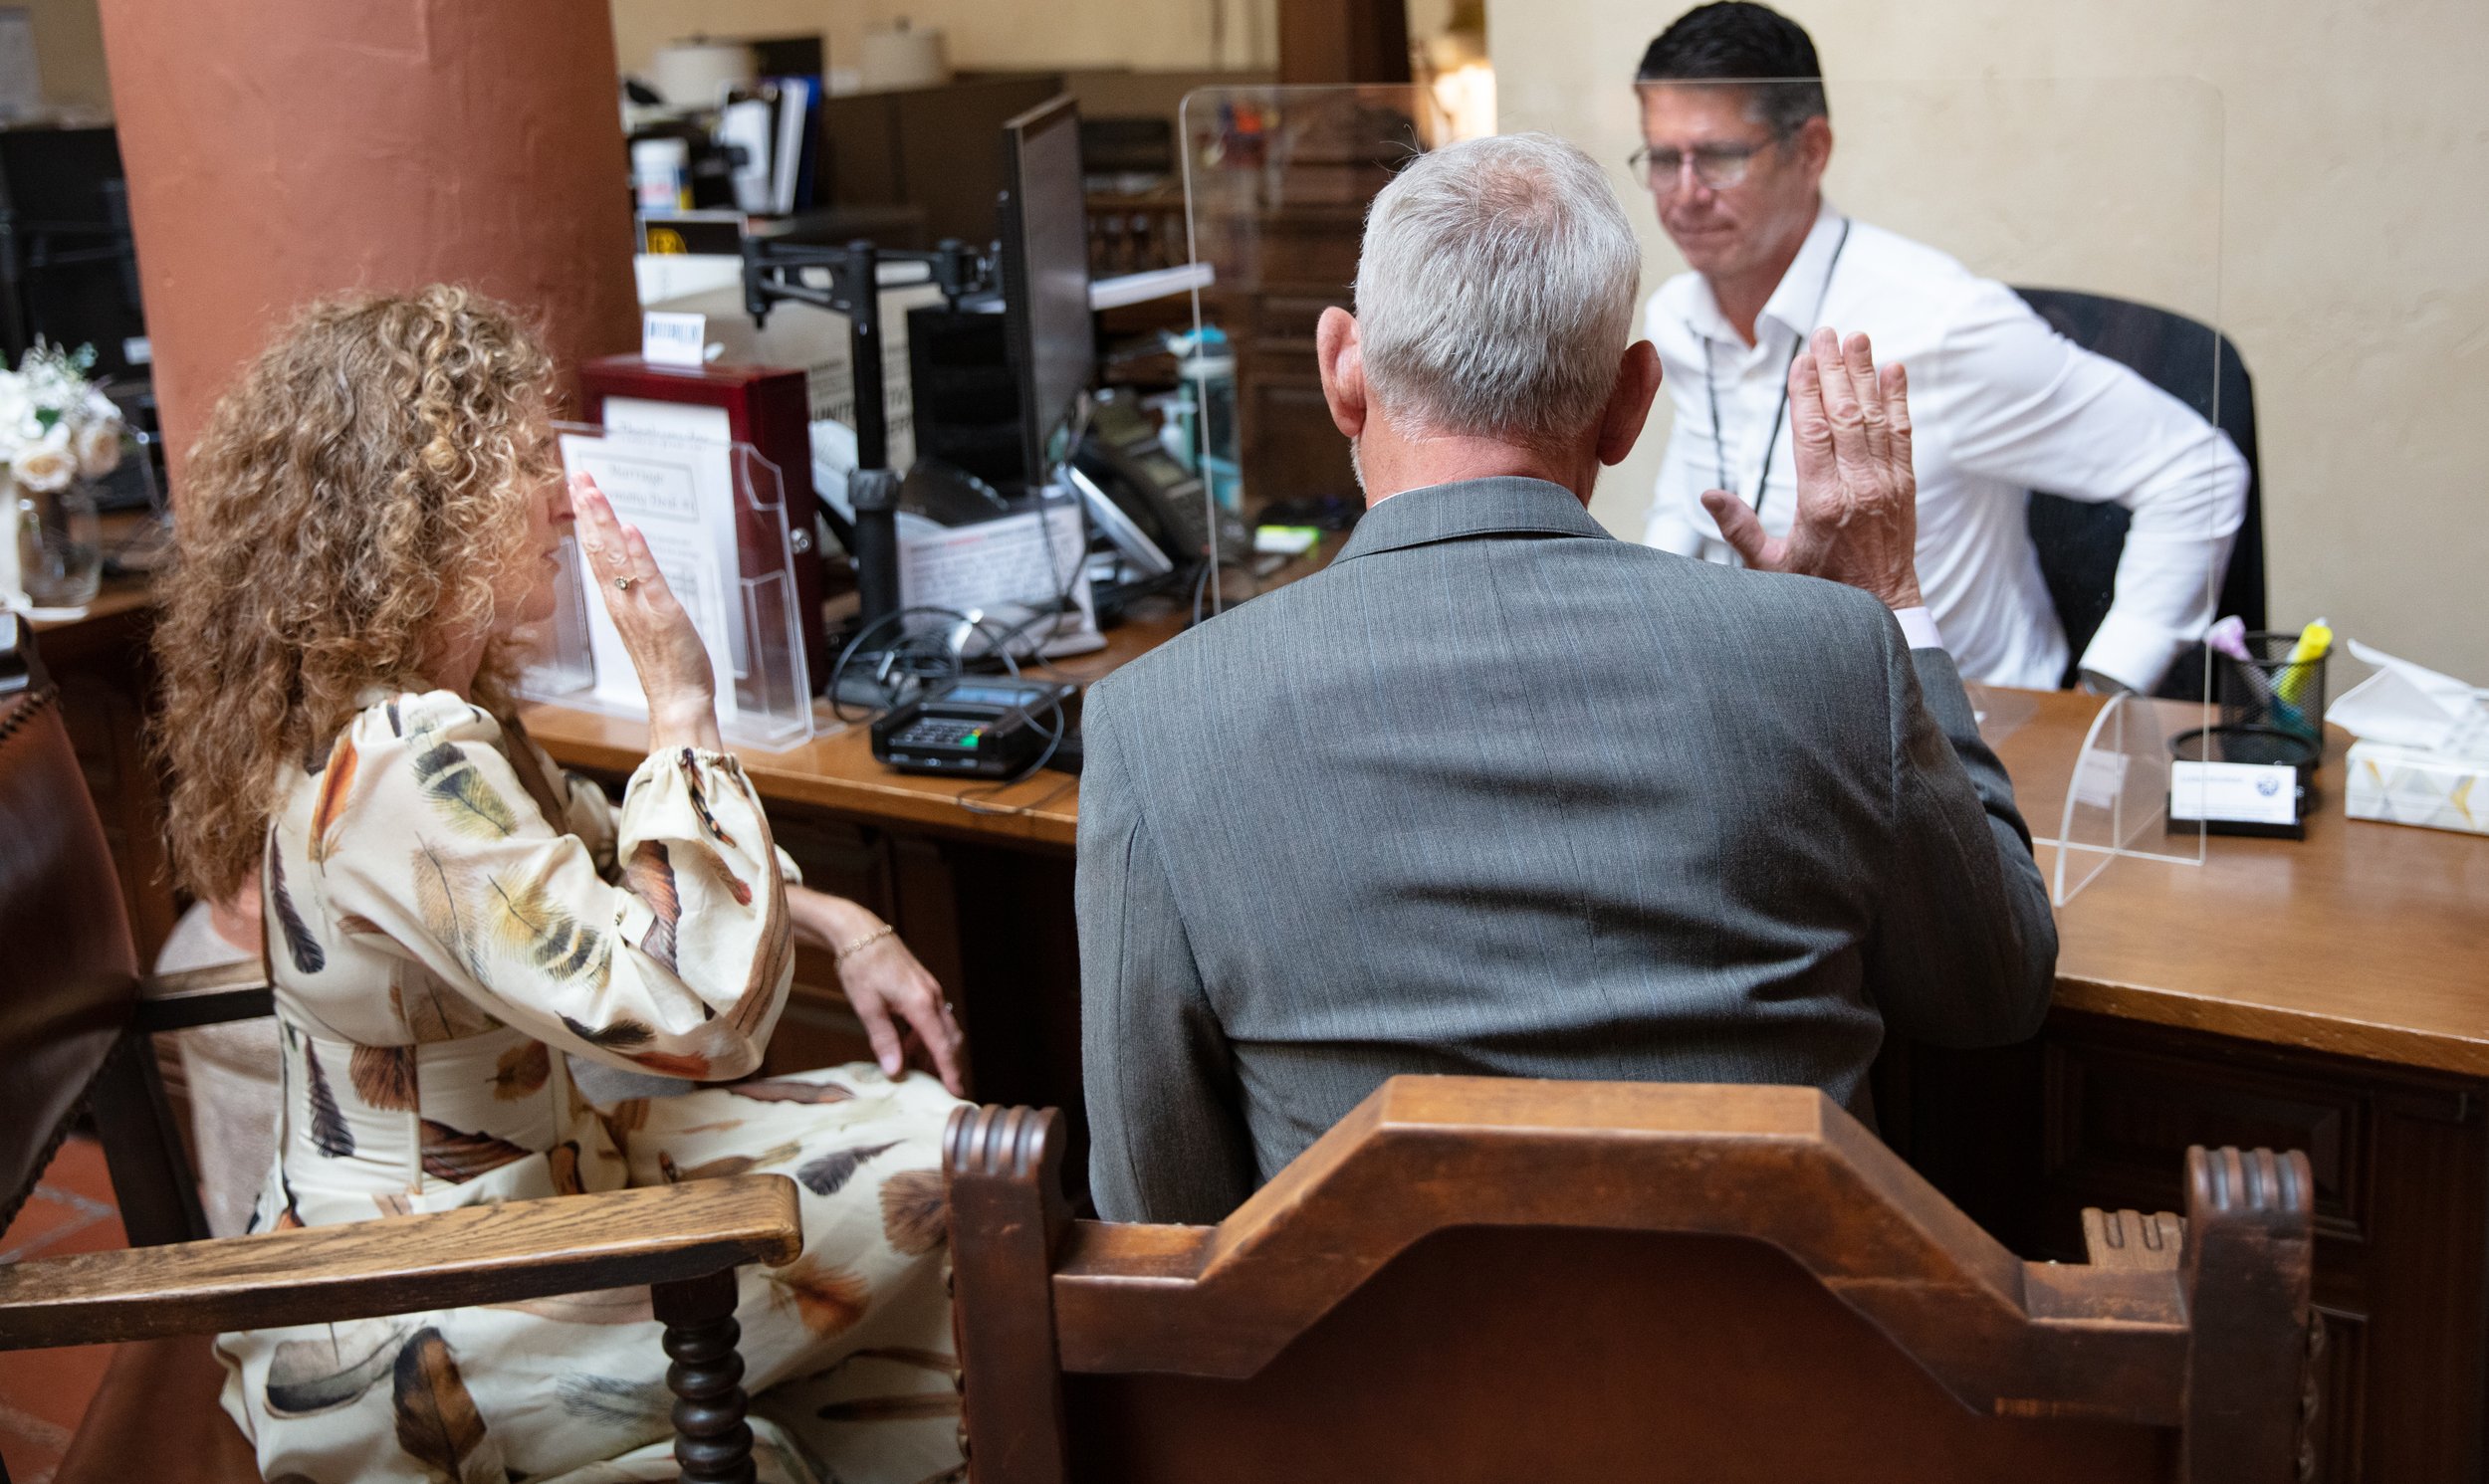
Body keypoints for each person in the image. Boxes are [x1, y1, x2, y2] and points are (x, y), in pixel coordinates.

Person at [1075, 133, 2056, 1225]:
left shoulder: (1150, 723)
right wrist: (1887, 600)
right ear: (1634, 401)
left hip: (1369, 1393)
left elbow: (1154, 1222)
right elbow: (1994, 987)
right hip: (1780, 1386)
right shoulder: (1832, 654)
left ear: (1342, 371)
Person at [154, 288, 969, 1484]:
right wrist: (680, 708)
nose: (554, 492)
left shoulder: (408, 717)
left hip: (523, 1194)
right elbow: (698, 1020)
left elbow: (598, 867)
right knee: (955, 1165)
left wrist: (845, 918)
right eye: (525, 457)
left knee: (922, 1129)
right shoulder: (403, 760)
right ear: (426, 507)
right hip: (429, 1300)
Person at [1632, 0, 2249, 694]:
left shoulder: (1939, 320)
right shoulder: (1677, 315)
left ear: (1811, 151)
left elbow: (2199, 470)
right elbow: (1689, 505)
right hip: (1781, 720)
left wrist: (2101, 703)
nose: (1683, 195)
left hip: (1963, 739)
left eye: (1718, 157)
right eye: (1662, 159)